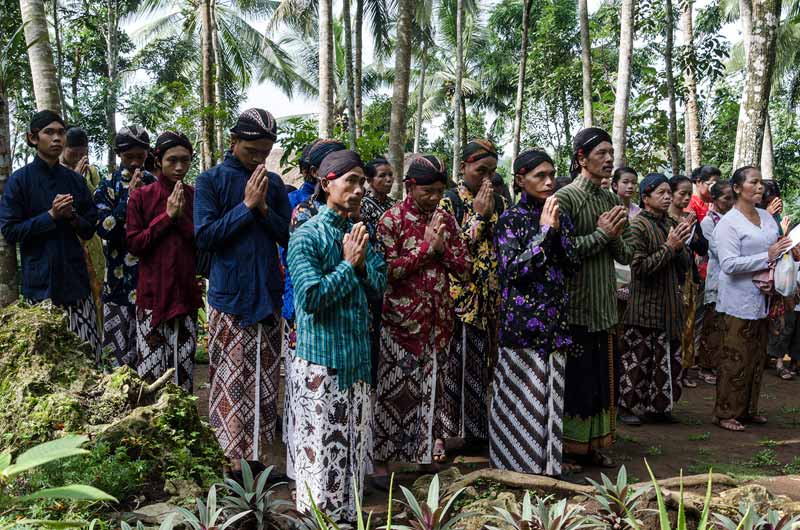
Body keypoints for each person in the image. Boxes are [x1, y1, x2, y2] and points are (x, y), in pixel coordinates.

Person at [286, 150, 386, 521]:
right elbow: (311, 299)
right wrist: (348, 265)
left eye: (362, 182)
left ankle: (347, 519)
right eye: (351, 181)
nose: (359, 189)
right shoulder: (306, 235)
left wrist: (359, 265)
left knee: (352, 453)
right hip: (321, 364)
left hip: (356, 361)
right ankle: (317, 521)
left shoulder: (359, 234)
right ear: (327, 183)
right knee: (320, 452)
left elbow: (379, 285)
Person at [194, 108, 291, 477]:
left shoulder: (276, 184)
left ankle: (258, 461)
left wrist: (264, 209)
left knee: (266, 384)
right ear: (234, 142)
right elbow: (204, 237)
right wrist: (247, 207)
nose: (259, 158)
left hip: (267, 295)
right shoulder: (210, 181)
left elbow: (287, 235)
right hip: (230, 298)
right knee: (231, 381)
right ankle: (231, 464)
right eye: (252, 150)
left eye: (265, 152)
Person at [373, 155, 469, 474]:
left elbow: (466, 269)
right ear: (410, 186)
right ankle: (383, 463)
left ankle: (424, 458)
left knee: (431, 392)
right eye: (428, 190)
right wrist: (425, 251)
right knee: (394, 392)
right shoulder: (391, 220)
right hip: (401, 324)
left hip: (438, 323)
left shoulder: (446, 220)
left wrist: (442, 250)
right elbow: (386, 271)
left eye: (440, 191)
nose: (434, 197)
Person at [490, 149, 579, 476]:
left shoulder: (560, 215)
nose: (548, 181)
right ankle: (511, 468)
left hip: (555, 323)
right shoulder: (510, 220)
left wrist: (555, 231)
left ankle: (547, 466)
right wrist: (543, 233)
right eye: (539, 175)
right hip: (522, 325)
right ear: (519, 179)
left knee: (550, 396)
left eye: (551, 174)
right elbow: (511, 270)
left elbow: (572, 264)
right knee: (519, 397)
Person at [554, 127, 632, 467]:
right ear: (581, 158)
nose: (609, 159)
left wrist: (611, 235)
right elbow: (563, 252)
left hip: (605, 305)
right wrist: (602, 234)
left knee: (603, 380)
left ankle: (594, 445)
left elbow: (627, 254)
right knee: (576, 380)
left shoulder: (612, 200)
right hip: (576, 305)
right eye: (601, 153)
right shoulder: (566, 198)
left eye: (611, 153)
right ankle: (568, 447)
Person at [0, 110, 99, 353]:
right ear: (33, 138)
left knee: (87, 359)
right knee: (49, 368)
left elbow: (89, 228)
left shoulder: (75, 181)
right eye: (49, 132)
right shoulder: (20, 181)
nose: (57, 138)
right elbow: (10, 230)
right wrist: (51, 216)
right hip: (39, 288)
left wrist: (72, 216)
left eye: (61, 132)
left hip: (76, 285)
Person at [280, 138, 345, 482]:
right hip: (304, 306)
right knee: (305, 387)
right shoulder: (301, 209)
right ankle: (300, 466)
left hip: (340, 314)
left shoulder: (347, 214)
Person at [713, 166, 794, 432]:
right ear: (737, 188)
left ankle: (749, 409)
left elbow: (777, 246)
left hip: (764, 299)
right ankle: (726, 412)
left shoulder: (766, 217)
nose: (760, 187)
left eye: (761, 183)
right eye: (754, 182)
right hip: (737, 300)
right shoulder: (729, 223)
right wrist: (768, 255)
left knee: (757, 357)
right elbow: (729, 264)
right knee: (734, 357)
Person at [440, 138, 507, 445]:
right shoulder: (448, 201)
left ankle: (478, 434)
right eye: (481, 170)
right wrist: (478, 216)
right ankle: (447, 433)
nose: (487, 178)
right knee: (454, 367)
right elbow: (450, 250)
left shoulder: (502, 202)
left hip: (490, 301)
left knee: (484, 368)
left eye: (492, 172)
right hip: (458, 301)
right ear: (464, 167)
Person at [126, 132, 203, 393]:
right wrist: (167, 217)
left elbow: (202, 242)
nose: (179, 167)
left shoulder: (195, 196)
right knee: (150, 375)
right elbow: (135, 244)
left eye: (185, 160)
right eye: (172, 160)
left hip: (185, 296)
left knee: (183, 374)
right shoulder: (141, 197)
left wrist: (180, 219)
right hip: (152, 298)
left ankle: (184, 430)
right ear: (158, 161)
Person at [619, 173, 693, 425]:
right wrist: (669, 247)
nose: (667, 197)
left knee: (667, 360)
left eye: (668, 193)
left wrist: (681, 245)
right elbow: (638, 268)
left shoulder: (670, 223)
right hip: (644, 307)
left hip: (669, 307)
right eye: (661, 193)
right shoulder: (638, 225)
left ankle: (658, 408)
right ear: (646, 197)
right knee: (638, 360)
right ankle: (626, 407)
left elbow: (684, 267)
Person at [94, 126, 156, 367]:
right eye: (129, 156)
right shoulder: (106, 186)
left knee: (146, 357)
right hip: (118, 286)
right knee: (115, 361)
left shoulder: (154, 184)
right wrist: (130, 200)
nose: (134, 163)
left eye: (140, 157)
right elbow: (104, 228)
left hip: (148, 282)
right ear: (119, 154)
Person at [60, 127, 105, 326]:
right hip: (66, 239)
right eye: (73, 153)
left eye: (82, 153)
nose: (79, 157)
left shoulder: (92, 171)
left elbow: (98, 200)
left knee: (96, 290)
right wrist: (75, 179)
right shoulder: (55, 171)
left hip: (90, 239)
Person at [668, 175, 709, 388]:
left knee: (689, 327)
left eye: (687, 194)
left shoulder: (691, 218)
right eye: (681, 194)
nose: (685, 198)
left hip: (689, 280)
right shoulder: (664, 218)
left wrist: (691, 234)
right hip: (670, 279)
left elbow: (703, 247)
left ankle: (683, 371)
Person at [698, 181, 734, 384]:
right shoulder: (709, 222)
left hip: (732, 280)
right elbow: (717, 250)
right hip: (717, 278)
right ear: (715, 199)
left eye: (732, 198)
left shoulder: (734, 219)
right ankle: (706, 365)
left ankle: (721, 363)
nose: (730, 202)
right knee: (712, 324)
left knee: (726, 325)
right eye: (726, 198)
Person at [361, 157, 396, 232]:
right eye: (382, 176)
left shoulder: (394, 205)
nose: (389, 179)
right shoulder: (362, 207)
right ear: (369, 180)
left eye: (390, 175)